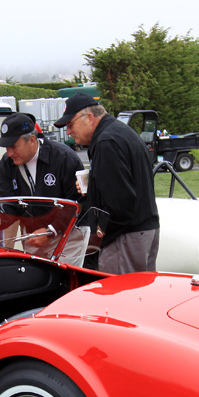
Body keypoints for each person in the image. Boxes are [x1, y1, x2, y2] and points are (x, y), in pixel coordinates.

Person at [54, 94, 159, 274]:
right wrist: (93, 185)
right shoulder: (120, 132)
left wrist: (101, 231)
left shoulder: (106, 143)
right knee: (142, 296)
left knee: (121, 297)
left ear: (89, 118)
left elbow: (120, 204)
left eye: (70, 125)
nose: (68, 132)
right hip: (144, 229)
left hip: (125, 236)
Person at [0, 113, 83, 257]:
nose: (9, 153)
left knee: (67, 278)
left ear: (31, 140)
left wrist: (51, 230)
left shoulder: (64, 157)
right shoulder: (6, 164)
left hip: (68, 235)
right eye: (6, 147)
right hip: (32, 237)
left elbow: (76, 202)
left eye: (13, 146)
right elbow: (7, 200)